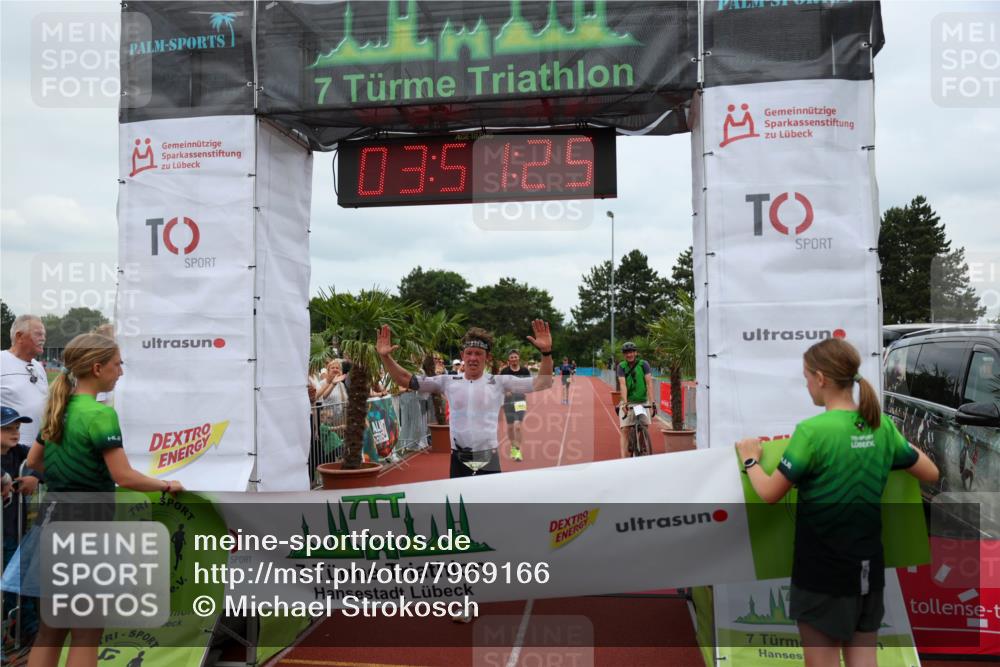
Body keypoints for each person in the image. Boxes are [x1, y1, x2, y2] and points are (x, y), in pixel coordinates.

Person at [735, 338, 939, 667]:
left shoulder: (812, 432)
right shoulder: (881, 426)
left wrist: (750, 460)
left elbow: (770, 493)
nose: (806, 386)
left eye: (805, 377)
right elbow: (930, 472)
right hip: (868, 570)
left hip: (821, 573)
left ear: (821, 378)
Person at [23, 333, 184, 667]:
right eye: (117, 364)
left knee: (50, 630)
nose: (121, 371)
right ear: (97, 368)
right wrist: (166, 484)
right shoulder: (100, 415)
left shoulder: (59, 407)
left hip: (51, 522)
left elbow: (35, 462)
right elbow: (123, 476)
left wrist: (65, 474)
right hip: (88, 529)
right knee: (86, 633)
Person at [377, 322, 553, 477]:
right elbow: (406, 380)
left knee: (489, 510)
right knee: (460, 510)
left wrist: (546, 353)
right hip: (458, 458)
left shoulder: (499, 382)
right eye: (469, 353)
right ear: (462, 356)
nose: (473, 358)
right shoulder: (447, 381)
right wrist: (386, 357)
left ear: (488, 357)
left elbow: (543, 383)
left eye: (478, 353)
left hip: (488, 457)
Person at [2, 406, 42, 646]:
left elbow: (49, 464)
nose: (15, 432)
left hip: (14, 532)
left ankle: (27, 630)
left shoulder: (20, 453)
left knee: (18, 581)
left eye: (17, 427)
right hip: (5, 532)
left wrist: (36, 477)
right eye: (7, 428)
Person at [1, 315, 49, 451]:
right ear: (19, 336)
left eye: (44, 334)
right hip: (9, 453)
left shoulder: (38, 367)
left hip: (39, 450)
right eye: (38, 334)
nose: (43, 338)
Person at [617, 342, 655, 458]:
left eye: (632, 352)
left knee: (645, 425)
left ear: (636, 353)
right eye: (627, 353)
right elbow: (622, 385)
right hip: (628, 402)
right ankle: (624, 459)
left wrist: (652, 402)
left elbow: (649, 383)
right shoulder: (621, 366)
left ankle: (643, 447)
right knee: (625, 429)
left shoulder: (644, 364)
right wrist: (625, 403)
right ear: (624, 355)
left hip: (642, 403)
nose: (630, 354)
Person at [500, 350, 532, 462]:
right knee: (509, 427)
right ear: (509, 360)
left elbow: (529, 385)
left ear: (519, 358)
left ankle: (517, 450)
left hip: (520, 401)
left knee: (517, 427)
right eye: (511, 357)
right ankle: (513, 447)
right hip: (508, 401)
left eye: (515, 357)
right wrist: (506, 391)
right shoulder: (504, 371)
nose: (513, 359)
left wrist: (523, 390)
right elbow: (500, 386)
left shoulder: (524, 371)